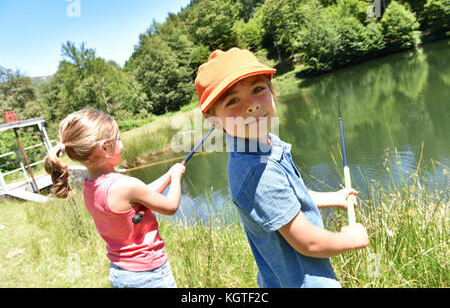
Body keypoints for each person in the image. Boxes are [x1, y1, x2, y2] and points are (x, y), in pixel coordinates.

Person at [195, 48, 369, 288]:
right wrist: (349, 238)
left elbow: (291, 196)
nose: (252, 105)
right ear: (214, 120)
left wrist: (333, 197)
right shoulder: (256, 172)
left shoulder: (263, 143)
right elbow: (308, 243)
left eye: (258, 89)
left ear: (272, 91)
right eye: (233, 100)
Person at [44, 109, 185, 288]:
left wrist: (169, 174)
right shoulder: (125, 185)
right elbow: (171, 206)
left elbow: (143, 195)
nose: (122, 144)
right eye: (118, 139)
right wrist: (177, 178)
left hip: (121, 274)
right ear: (104, 147)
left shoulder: (90, 186)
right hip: (150, 275)